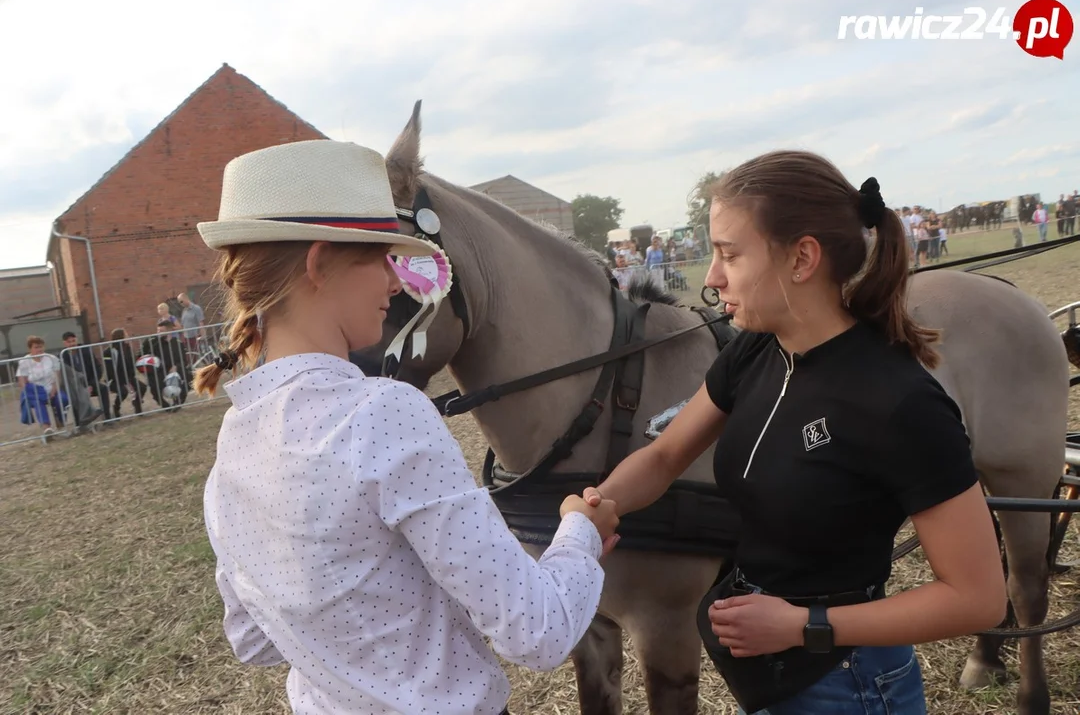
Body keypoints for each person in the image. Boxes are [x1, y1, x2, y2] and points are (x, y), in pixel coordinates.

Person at [192, 140, 620, 715]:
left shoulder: (233, 447)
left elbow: (255, 641)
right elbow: (537, 631)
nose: (396, 284)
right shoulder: (382, 413)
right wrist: (580, 533)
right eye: (380, 259)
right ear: (319, 264)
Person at [581, 150, 1007, 714]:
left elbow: (978, 600)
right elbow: (664, 456)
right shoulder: (758, 349)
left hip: (848, 681)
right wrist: (595, 509)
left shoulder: (900, 403)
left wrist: (805, 626)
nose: (711, 278)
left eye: (729, 254)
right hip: (771, 668)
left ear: (802, 257)